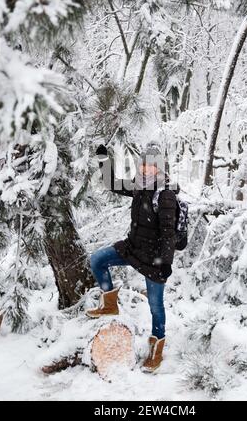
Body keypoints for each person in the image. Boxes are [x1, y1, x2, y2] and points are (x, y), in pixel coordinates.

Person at [86, 141, 179, 372]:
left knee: (155, 306)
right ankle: (109, 304)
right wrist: (104, 159)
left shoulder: (165, 194)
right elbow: (112, 184)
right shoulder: (139, 186)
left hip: (154, 259)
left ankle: (156, 350)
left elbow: (169, 234)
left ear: (160, 167)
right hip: (133, 248)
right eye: (144, 164)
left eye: (152, 165)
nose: (147, 169)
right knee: (97, 259)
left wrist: (166, 263)